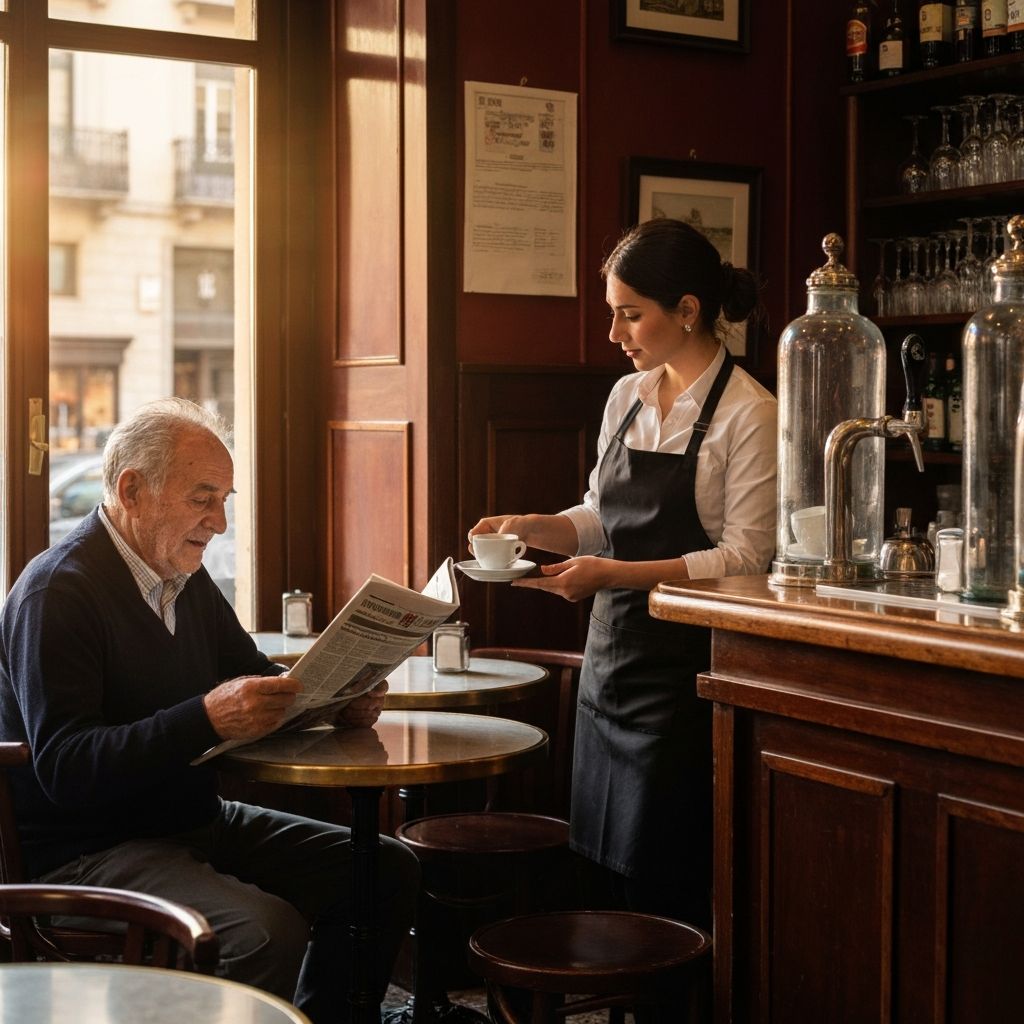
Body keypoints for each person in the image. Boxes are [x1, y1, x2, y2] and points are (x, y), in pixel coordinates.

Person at [0, 398, 419, 1024]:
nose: (219, 524)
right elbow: (64, 768)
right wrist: (206, 718)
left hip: (189, 820)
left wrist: (336, 699)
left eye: (224, 500)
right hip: (85, 851)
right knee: (263, 932)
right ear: (132, 490)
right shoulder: (57, 591)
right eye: (203, 499)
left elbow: (253, 677)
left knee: (385, 869)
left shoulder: (181, 575)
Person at [469, 218, 777, 930]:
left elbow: (744, 558)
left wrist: (613, 573)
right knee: (602, 868)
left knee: (664, 877)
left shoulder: (749, 413)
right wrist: (534, 528)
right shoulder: (627, 397)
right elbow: (599, 513)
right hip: (610, 663)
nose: (615, 334)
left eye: (630, 314)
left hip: (684, 673)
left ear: (689, 310)